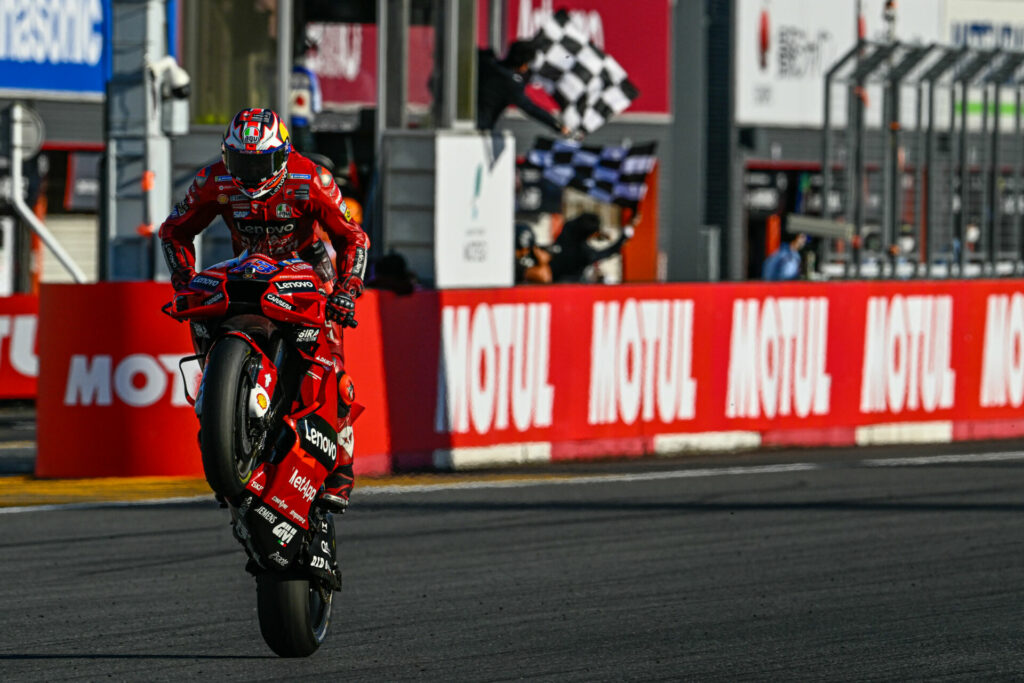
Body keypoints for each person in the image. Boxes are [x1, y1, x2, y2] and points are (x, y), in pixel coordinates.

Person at [158, 107, 368, 512]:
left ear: (284, 154)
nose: (252, 173)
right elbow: (174, 230)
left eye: (262, 162)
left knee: (333, 364)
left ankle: (340, 467)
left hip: (309, 271)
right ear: (227, 156)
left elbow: (353, 237)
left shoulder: (311, 179)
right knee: (206, 310)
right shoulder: (213, 180)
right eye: (242, 162)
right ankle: (226, 416)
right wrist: (184, 279)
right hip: (251, 269)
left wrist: (346, 288)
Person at [477, 40, 570, 135]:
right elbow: (530, 108)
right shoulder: (512, 83)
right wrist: (557, 125)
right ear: (523, 65)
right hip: (480, 128)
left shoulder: (485, 63)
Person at [549, 212, 635, 283]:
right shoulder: (584, 253)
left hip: (552, 267)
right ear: (590, 234)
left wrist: (599, 234)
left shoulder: (567, 229)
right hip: (564, 282)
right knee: (606, 280)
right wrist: (626, 234)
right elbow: (609, 252)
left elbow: (580, 225)